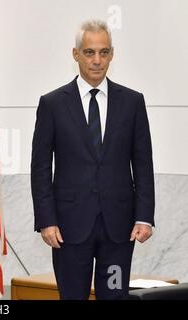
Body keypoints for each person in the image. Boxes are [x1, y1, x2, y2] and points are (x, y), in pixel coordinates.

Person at [31, 19, 155, 300]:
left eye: (103, 52)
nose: (97, 60)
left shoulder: (133, 102)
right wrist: (46, 220)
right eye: (89, 52)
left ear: (112, 54)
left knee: (114, 295)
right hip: (68, 228)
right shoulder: (52, 104)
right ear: (76, 54)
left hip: (119, 228)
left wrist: (144, 217)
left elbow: (143, 163)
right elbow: (40, 168)